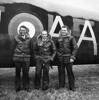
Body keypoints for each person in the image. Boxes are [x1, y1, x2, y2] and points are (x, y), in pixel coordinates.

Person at [56, 25, 78, 91]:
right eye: (62, 30)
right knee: (61, 72)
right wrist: (58, 55)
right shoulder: (58, 38)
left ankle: (72, 87)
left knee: (70, 73)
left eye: (65, 30)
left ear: (67, 31)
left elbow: (75, 48)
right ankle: (61, 86)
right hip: (60, 58)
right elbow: (56, 48)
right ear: (61, 31)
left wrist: (72, 57)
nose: (63, 32)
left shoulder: (71, 38)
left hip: (68, 58)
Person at [13, 25, 31, 92]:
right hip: (17, 58)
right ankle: (17, 87)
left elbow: (31, 48)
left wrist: (29, 57)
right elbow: (12, 47)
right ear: (19, 31)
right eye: (21, 30)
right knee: (17, 73)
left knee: (26, 73)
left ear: (26, 31)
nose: (22, 31)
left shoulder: (29, 39)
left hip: (26, 59)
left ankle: (26, 87)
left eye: (23, 30)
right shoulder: (16, 38)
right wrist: (14, 57)